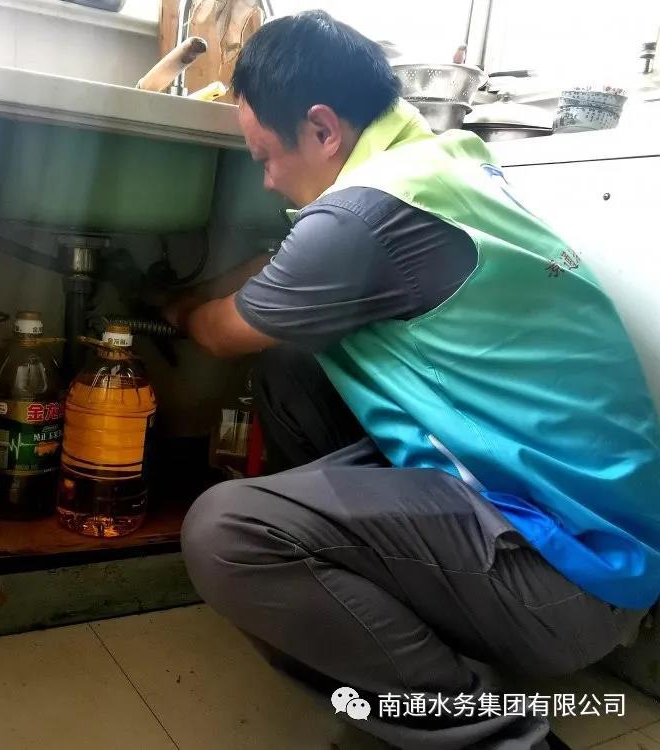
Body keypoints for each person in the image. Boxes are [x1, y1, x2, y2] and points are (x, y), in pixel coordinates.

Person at [164, 10, 660, 750]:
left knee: (227, 534)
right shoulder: (438, 162)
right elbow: (284, 264)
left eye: (266, 157)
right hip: (598, 533)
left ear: (323, 129)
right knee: (293, 365)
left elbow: (219, 332)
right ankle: (399, 633)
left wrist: (172, 308)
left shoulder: (363, 217)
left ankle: (498, 737)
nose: (266, 180)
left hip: (570, 577)